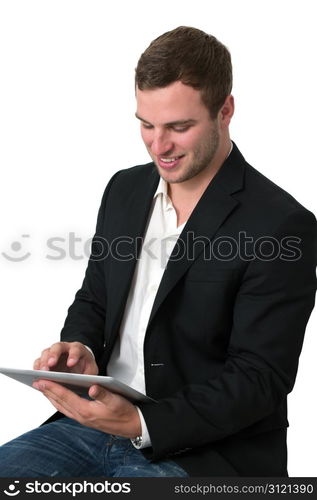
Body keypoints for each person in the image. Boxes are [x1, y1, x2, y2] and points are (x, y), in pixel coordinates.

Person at [0, 26, 316, 478]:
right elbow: (96, 297)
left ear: (225, 110)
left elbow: (259, 377)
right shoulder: (124, 189)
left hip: (207, 451)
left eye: (179, 127)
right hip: (93, 426)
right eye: (146, 125)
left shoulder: (281, 224)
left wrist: (140, 422)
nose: (159, 146)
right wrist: (81, 351)